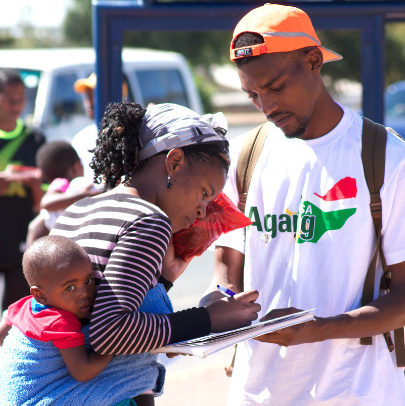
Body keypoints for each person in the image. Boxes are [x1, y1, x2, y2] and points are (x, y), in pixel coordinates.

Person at [199, 4, 405, 405]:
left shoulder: (387, 158)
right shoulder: (245, 155)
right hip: (257, 392)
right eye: (252, 94)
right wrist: (213, 307)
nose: (266, 106)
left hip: (358, 392)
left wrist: (315, 329)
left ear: (314, 62)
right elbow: (226, 273)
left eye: (275, 87)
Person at [49, 102, 260, 405]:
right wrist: (209, 318)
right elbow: (110, 332)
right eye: (204, 193)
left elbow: (92, 307)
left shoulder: (78, 209)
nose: (202, 211)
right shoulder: (149, 220)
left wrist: (165, 280)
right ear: (174, 162)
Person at [0, 235, 152, 405]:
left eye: (88, 281)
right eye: (70, 287)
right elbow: (83, 372)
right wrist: (113, 346)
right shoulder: (60, 323)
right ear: (40, 295)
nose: (84, 293)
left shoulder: (23, 305)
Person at [0, 68, 46, 312]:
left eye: (22, 98)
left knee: (14, 316)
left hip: (22, 243)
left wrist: (36, 185)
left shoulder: (35, 139)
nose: (17, 104)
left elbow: (44, 202)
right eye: (9, 99)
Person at [26, 141, 101, 246]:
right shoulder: (61, 183)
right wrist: (85, 194)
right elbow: (47, 202)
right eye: (81, 162)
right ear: (74, 167)